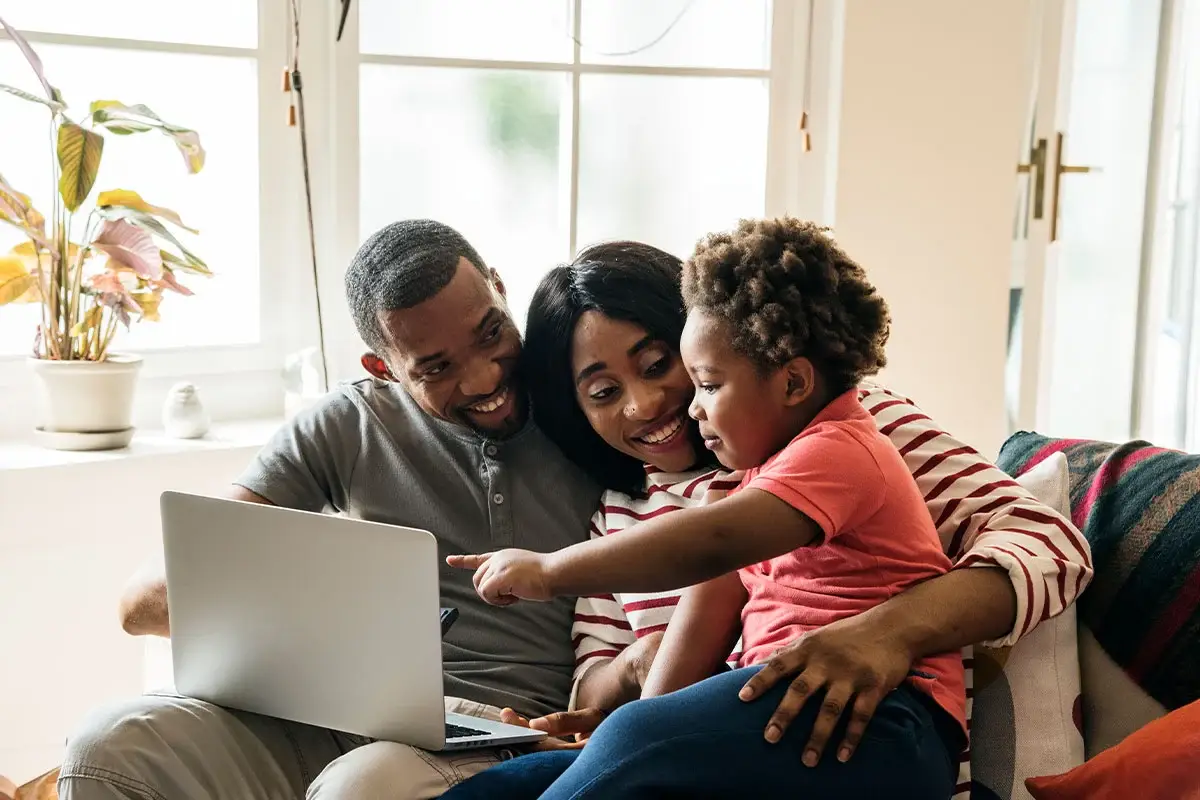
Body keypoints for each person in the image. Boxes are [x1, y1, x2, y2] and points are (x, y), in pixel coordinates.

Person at [442, 228, 1092, 798]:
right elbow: (620, 679)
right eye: (605, 392)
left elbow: (1050, 549)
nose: (647, 404)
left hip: (869, 736)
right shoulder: (621, 515)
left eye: (664, 366)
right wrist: (632, 689)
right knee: (513, 783)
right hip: (719, 751)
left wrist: (889, 632)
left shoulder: (848, 431)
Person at [56, 220, 603, 799]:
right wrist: (324, 642)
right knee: (108, 746)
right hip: (338, 716)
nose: (485, 376)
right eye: (437, 367)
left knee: (357, 789)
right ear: (383, 368)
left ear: (498, 286)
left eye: (491, 334)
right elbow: (143, 603)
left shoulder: (593, 402)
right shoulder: (351, 423)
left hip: (496, 735)